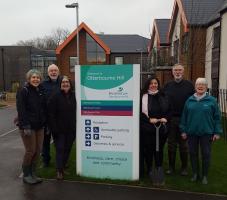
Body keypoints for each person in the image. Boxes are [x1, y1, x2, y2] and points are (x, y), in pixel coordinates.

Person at [180, 78, 222, 184]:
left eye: (203, 84)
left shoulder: (212, 100)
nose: (200, 86)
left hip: (206, 132)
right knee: (193, 153)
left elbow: (217, 118)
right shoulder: (189, 100)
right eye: (198, 84)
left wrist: (217, 132)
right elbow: (184, 117)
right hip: (192, 132)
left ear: (206, 87)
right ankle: (195, 174)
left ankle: (204, 176)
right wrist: (183, 130)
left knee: (206, 154)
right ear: (195, 86)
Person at [163, 64, 194, 176]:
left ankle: (184, 168)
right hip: (170, 119)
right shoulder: (167, 85)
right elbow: (163, 100)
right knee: (171, 144)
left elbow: (194, 102)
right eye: (175, 70)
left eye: (180, 70)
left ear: (183, 71)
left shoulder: (189, 85)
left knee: (184, 145)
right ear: (172, 72)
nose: (177, 72)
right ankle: (171, 167)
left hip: (184, 119)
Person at [16, 69, 46, 184]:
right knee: (30, 150)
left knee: (38, 150)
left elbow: (43, 108)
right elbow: (21, 109)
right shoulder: (24, 91)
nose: (36, 79)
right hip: (28, 127)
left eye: (38, 77)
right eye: (33, 77)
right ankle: (26, 174)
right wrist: (25, 126)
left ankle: (33, 173)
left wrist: (45, 123)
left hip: (40, 126)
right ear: (29, 79)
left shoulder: (40, 90)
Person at [140, 76, 170, 185]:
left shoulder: (163, 95)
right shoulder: (142, 96)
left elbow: (169, 109)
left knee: (159, 149)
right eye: (151, 83)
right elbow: (140, 113)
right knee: (149, 149)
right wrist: (149, 119)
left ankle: (158, 167)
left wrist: (165, 118)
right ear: (148, 84)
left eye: (156, 83)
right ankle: (149, 169)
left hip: (160, 128)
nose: (154, 85)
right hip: (147, 128)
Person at [48, 76, 76, 180]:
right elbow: (51, 114)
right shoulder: (55, 96)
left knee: (68, 149)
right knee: (60, 149)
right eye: (63, 82)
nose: (65, 84)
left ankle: (63, 167)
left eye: (67, 82)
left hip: (71, 129)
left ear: (70, 84)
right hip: (59, 130)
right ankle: (59, 171)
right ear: (60, 85)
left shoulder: (74, 96)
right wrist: (54, 128)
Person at [41, 64, 61, 167]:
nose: (53, 72)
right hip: (47, 119)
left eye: (55, 70)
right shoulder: (43, 84)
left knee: (59, 141)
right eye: (51, 71)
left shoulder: (63, 82)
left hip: (59, 119)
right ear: (48, 73)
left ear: (58, 72)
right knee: (46, 141)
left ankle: (61, 161)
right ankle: (46, 161)